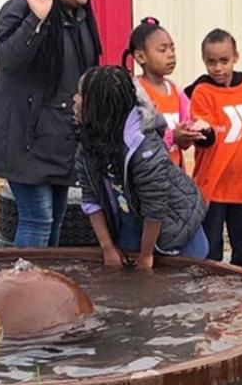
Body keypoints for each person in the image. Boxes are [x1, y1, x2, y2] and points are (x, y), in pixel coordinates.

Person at [0, 0, 101, 248]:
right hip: (23, 136)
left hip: (59, 136)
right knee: (38, 217)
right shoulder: (22, 8)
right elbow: (8, 59)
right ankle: (26, 289)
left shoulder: (81, 16)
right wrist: (38, 18)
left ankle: (48, 286)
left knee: (56, 217)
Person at [76, 65, 209, 269]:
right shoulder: (88, 143)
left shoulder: (145, 149)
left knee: (182, 286)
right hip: (132, 222)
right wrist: (108, 248)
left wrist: (146, 257)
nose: (74, 100)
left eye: (80, 95)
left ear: (99, 107)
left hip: (175, 229)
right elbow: (91, 199)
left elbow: (155, 208)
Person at [187, 29, 242, 268]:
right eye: (211, 62)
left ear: (236, 56)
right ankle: (211, 298)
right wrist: (205, 131)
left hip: (241, 185)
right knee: (211, 248)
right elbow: (204, 136)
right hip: (211, 186)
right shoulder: (202, 91)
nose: (217, 68)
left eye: (224, 61)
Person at [122, 18, 203, 167]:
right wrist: (172, 137)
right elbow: (136, 140)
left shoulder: (176, 91)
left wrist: (191, 133)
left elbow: (186, 128)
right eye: (162, 49)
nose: (171, 54)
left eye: (172, 48)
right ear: (141, 56)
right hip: (149, 177)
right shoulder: (135, 93)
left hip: (174, 177)